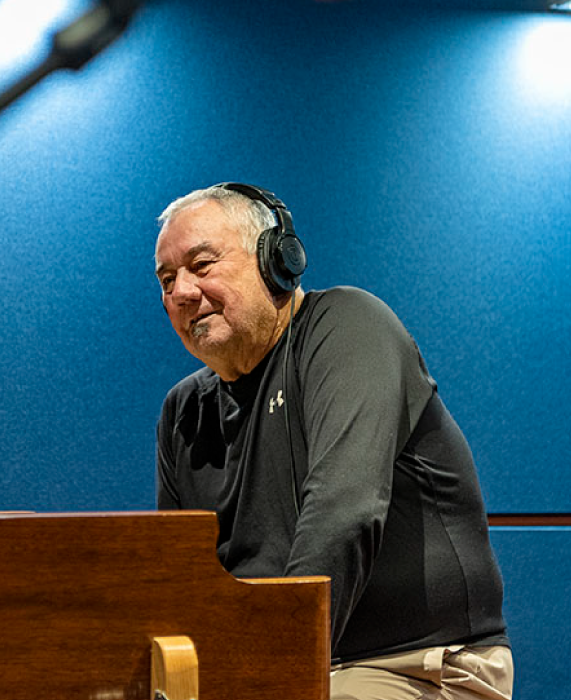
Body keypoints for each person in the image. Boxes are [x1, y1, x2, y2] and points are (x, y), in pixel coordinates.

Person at [154, 182, 513, 700]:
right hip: (279, 669)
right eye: (167, 279)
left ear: (275, 260)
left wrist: (272, 677)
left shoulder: (346, 326)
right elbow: (181, 581)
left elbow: (344, 511)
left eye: (202, 265)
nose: (182, 292)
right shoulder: (184, 411)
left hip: (413, 665)